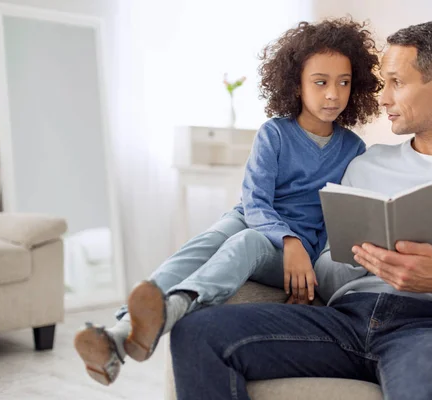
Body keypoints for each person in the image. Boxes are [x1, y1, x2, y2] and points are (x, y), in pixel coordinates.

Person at [167, 20, 432, 400]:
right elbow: (325, 266)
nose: (383, 98)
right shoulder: (367, 164)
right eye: (383, 83)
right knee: (196, 333)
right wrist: (362, 259)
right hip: (344, 318)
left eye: (397, 83)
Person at [74, 17, 383, 386]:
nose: (333, 94)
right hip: (257, 219)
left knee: (247, 242)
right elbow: (254, 201)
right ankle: (119, 332)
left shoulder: (353, 149)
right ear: (297, 85)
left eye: (343, 83)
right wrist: (287, 237)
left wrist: (300, 251)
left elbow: (338, 218)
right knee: (208, 240)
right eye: (320, 82)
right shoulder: (275, 133)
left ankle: (171, 310)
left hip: (289, 250)